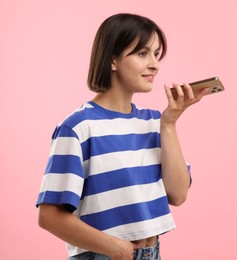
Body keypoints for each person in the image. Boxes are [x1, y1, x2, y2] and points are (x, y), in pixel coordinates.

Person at [36, 13, 206, 260]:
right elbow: (49, 216)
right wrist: (116, 248)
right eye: (142, 53)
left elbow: (178, 194)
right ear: (113, 60)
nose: (154, 64)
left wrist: (168, 124)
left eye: (156, 55)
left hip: (152, 252)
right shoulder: (78, 127)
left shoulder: (153, 122)